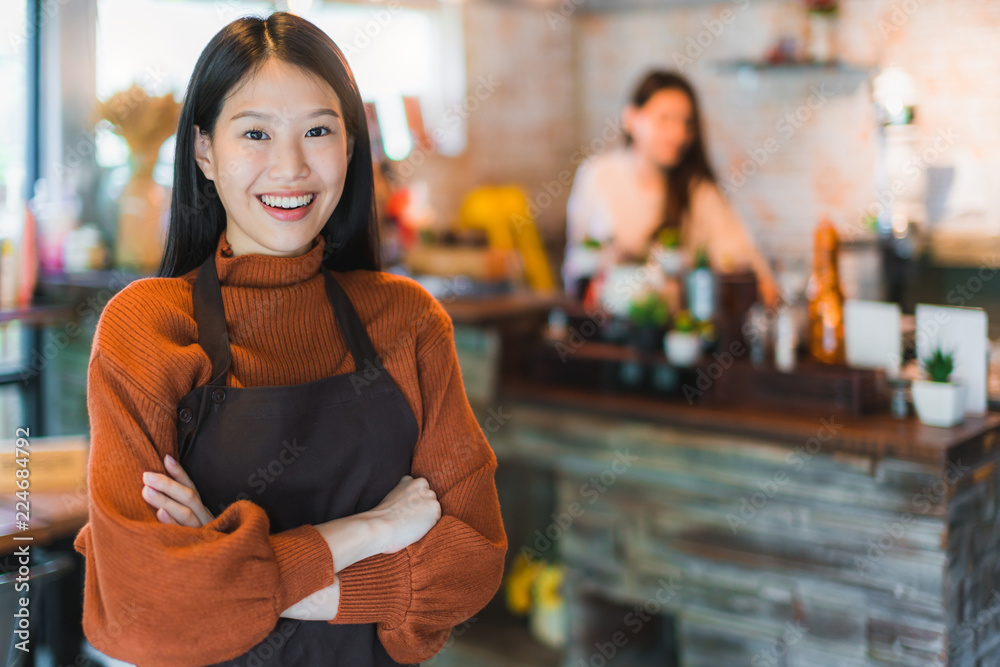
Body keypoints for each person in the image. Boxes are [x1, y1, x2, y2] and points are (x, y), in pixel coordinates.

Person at [72, 12, 506, 666]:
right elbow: (147, 606)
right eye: (255, 133)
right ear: (204, 151)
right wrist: (374, 529)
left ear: (351, 146)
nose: (292, 166)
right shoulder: (148, 328)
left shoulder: (408, 319)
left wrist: (233, 575)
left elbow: (473, 556)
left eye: (318, 131)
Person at [563, 70, 778, 308]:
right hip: (605, 324)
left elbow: (744, 260)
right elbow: (575, 259)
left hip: (675, 331)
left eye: (686, 123)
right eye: (665, 119)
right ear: (631, 118)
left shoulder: (698, 191)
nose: (678, 134)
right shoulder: (597, 175)